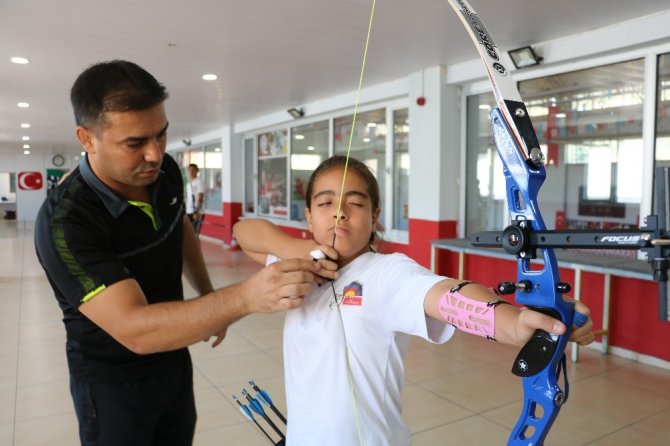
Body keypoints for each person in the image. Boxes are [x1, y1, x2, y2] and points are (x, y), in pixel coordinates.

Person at [33, 60, 333, 446]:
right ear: (87, 138)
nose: (155, 154)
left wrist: (209, 296)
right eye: (135, 143)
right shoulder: (66, 222)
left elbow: (181, 230)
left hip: (174, 359)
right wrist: (243, 297)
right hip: (112, 382)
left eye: (161, 135)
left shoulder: (164, 173)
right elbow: (136, 330)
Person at [233, 155, 595, 446]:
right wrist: (294, 249)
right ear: (309, 216)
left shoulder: (388, 274)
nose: (339, 212)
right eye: (325, 202)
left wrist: (515, 324)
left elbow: (446, 296)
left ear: (375, 218)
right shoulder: (293, 265)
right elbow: (243, 231)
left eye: (355, 203)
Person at [185, 163, 204, 233]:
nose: (191, 172)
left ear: (197, 171)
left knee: (195, 234)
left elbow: (201, 197)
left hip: (196, 212)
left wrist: (197, 211)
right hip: (189, 211)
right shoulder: (188, 184)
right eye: (189, 170)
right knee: (189, 233)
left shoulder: (199, 182)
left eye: (193, 170)